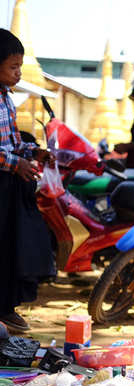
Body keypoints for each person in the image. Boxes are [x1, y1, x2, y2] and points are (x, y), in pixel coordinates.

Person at [0, 29, 55, 333]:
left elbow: (11, 142)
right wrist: (14, 163)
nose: (19, 73)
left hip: (10, 186)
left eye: (20, 66)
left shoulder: (7, 98)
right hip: (3, 181)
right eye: (13, 66)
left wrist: (34, 151)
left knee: (15, 246)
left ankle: (7, 305)